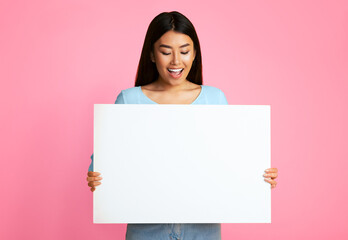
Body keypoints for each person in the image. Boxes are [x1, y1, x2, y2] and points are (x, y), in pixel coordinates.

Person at [86, 11, 278, 240]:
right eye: (166, 52)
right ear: (151, 54)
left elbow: (232, 161)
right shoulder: (129, 99)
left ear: (195, 53)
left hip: (203, 229)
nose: (176, 61)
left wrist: (259, 177)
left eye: (184, 51)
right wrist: (95, 176)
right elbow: (103, 164)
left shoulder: (215, 98)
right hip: (145, 229)